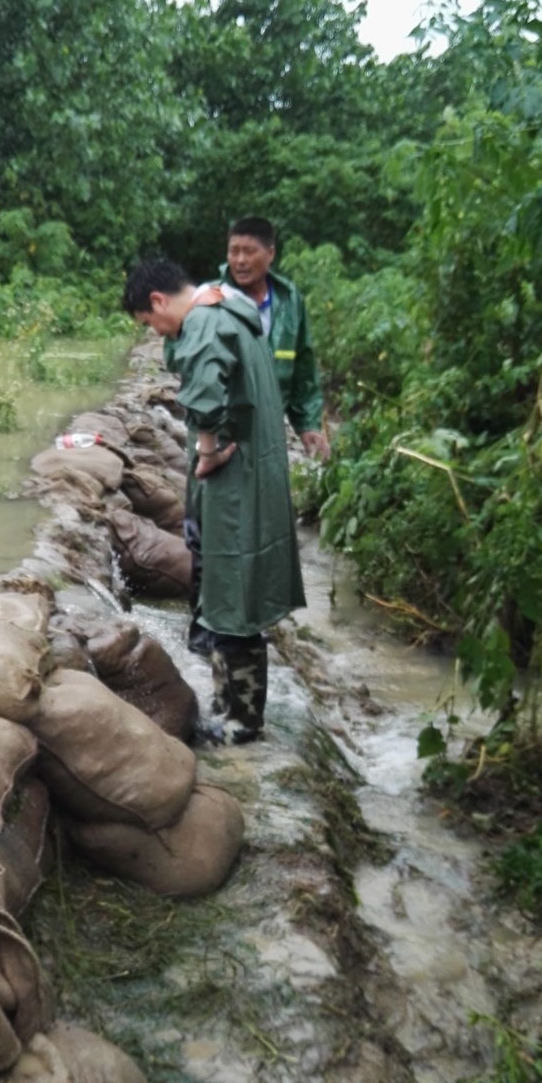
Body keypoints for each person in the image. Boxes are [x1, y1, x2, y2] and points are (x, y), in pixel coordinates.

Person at [122, 257, 305, 745]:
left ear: (159, 300)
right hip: (253, 474)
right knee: (228, 591)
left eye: (149, 322)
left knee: (234, 595)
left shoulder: (203, 322)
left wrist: (205, 452)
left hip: (234, 483)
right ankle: (226, 705)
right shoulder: (231, 311)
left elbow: (204, 397)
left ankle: (242, 723)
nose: (156, 331)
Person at [216, 215, 330, 462]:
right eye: (233, 251)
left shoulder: (289, 301)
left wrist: (307, 424)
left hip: (270, 430)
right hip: (223, 431)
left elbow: (303, 367)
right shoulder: (214, 298)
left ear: (270, 253)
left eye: (249, 251)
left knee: (269, 496)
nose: (240, 261)